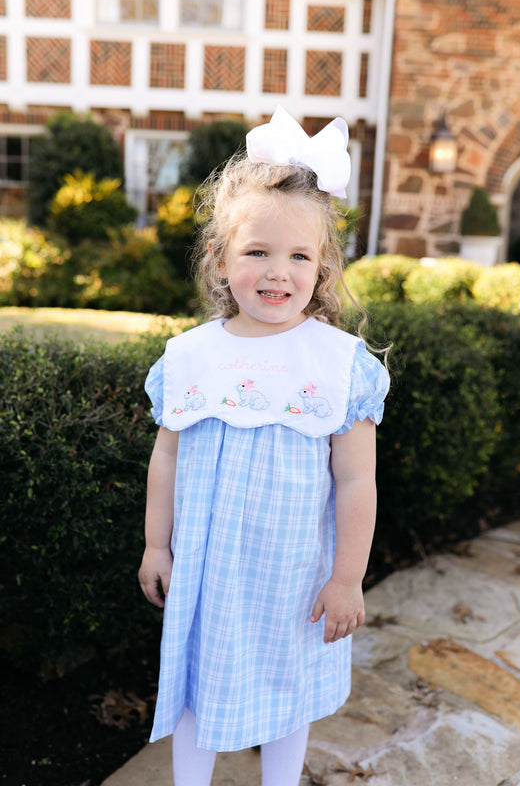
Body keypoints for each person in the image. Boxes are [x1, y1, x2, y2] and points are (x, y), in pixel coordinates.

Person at [138, 106, 390, 786]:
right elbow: (167, 457)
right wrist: (156, 545)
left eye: (297, 256)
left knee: (287, 695)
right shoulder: (190, 357)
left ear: (322, 266)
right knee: (196, 692)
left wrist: (345, 577)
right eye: (256, 252)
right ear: (221, 260)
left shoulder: (339, 363)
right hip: (208, 574)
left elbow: (355, 482)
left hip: (295, 578)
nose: (277, 272)